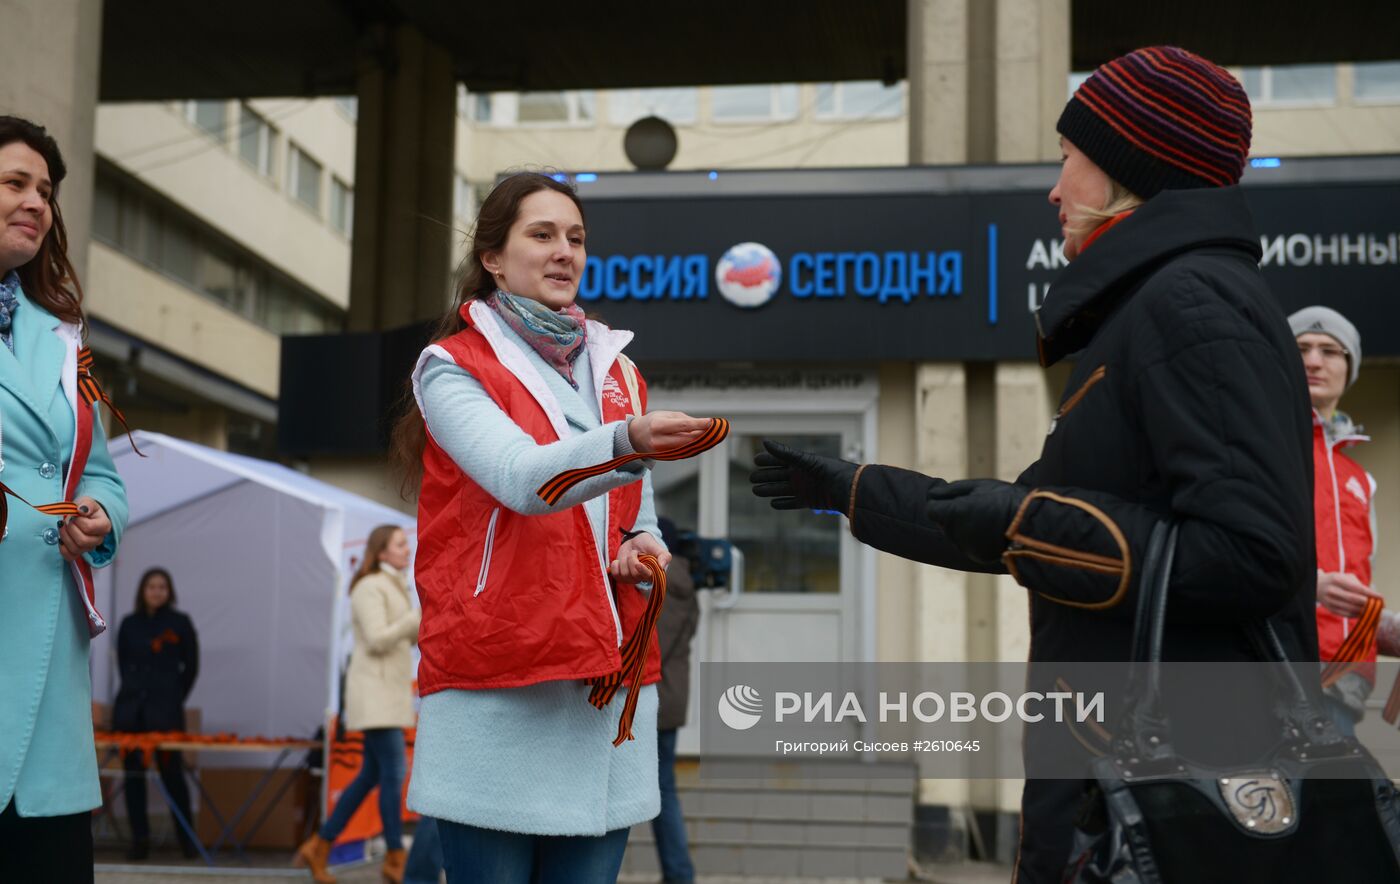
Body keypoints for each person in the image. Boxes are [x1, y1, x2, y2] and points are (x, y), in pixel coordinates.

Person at [750, 47, 1317, 883]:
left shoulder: (1190, 302)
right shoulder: (1150, 308)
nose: (1054, 190)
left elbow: (1250, 553)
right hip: (1122, 780)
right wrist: (854, 491)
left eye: (1067, 160)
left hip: (1174, 796)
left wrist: (1027, 525)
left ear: (1132, 166)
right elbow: (1034, 522)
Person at [388, 171, 713, 884]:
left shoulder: (618, 369)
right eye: (542, 235)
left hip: (603, 683)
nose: (565, 251)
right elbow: (521, 477)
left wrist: (642, 548)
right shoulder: (450, 366)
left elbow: (640, 513)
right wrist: (628, 439)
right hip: (500, 682)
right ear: (493, 259)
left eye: (576, 237)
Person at [0, 115, 129, 883]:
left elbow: (99, 470)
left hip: (48, 668)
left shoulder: (63, 335)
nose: (37, 202)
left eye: (45, 190)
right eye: (16, 183)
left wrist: (103, 513)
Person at [296, 525, 421, 884]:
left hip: (388, 694)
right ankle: (395, 856)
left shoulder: (395, 586)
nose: (407, 550)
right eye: (400, 544)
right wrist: (414, 618)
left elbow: (401, 636)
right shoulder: (369, 587)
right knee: (394, 773)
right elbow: (379, 638)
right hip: (374, 696)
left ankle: (319, 845)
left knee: (370, 776)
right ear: (381, 551)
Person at [1291, 306, 1382, 734]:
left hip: (1347, 682)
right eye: (1301, 348)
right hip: (1281, 668)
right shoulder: (1266, 451)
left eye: (1330, 350)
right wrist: (1313, 588)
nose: (1313, 360)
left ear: (1350, 367)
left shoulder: (1360, 479)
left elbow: (1363, 574)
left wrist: (1383, 626)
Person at [113, 568, 200, 859]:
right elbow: (123, 664)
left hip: (165, 715)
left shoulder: (180, 623)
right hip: (131, 716)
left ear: (169, 591)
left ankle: (187, 840)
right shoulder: (129, 623)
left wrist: (173, 696)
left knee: (172, 775)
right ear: (143, 590)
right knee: (134, 777)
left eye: (162, 586)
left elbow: (191, 666)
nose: (156, 591)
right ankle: (140, 841)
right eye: (151, 586)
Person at [652, 518, 698, 884]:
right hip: (672, 698)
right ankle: (678, 873)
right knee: (664, 788)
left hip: (653, 699)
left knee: (661, 792)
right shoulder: (686, 583)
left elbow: (654, 649)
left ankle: (679, 874)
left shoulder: (663, 583)